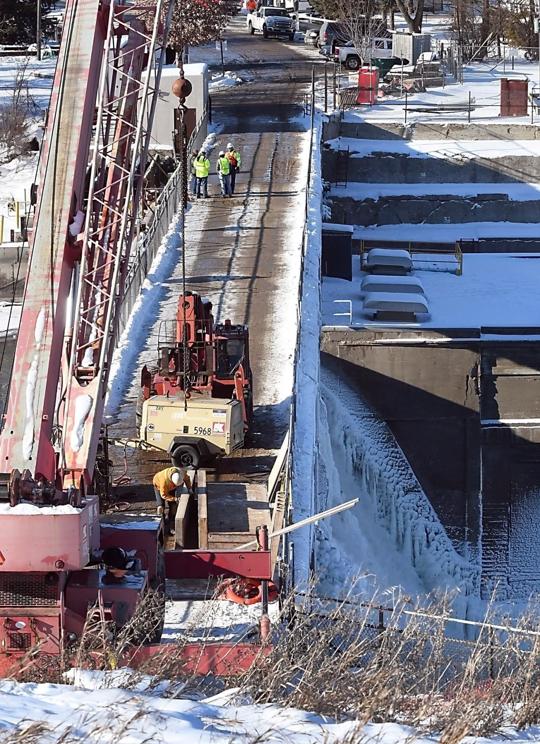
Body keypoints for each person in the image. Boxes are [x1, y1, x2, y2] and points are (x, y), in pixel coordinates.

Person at [153, 467, 192, 534]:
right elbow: (164, 495)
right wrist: (175, 498)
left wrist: (190, 488)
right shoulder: (164, 481)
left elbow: (187, 479)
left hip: (170, 487)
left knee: (173, 506)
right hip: (158, 486)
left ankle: (171, 524)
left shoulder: (181, 473)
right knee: (161, 507)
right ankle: (161, 525)